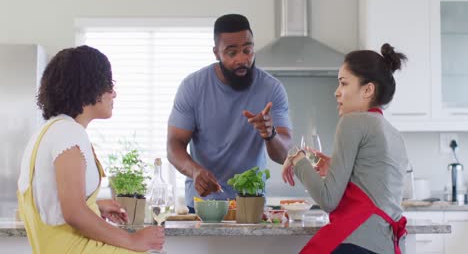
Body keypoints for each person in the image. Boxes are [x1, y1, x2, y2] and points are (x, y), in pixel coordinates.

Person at [17, 45, 164, 253]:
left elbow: (52, 204)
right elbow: (73, 213)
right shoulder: (68, 133)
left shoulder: (48, 132)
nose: (114, 93)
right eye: (108, 84)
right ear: (89, 87)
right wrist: (133, 240)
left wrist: (96, 207)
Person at [282, 43, 409, 254]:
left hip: (359, 243)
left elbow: (327, 199)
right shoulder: (393, 133)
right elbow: (376, 186)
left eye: (343, 83)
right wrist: (335, 167)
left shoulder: (353, 122)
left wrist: (296, 156)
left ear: (367, 89)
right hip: (387, 245)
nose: (336, 92)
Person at [167, 14, 292, 211]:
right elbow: (174, 145)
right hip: (203, 206)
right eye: (232, 53)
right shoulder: (193, 87)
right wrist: (195, 171)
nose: (242, 59)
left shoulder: (272, 89)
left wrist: (271, 134)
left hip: (251, 205)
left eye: (247, 50)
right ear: (216, 53)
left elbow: (284, 155)